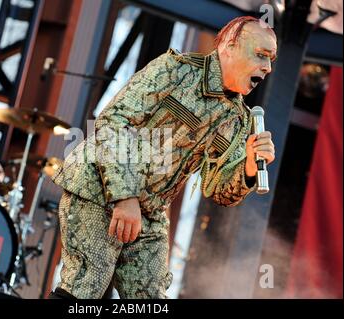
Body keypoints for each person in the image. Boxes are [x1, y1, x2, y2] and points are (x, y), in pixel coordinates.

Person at [49, 16, 277, 299]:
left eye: (271, 60)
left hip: (150, 211)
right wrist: (126, 197)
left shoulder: (237, 118)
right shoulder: (175, 70)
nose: (267, 68)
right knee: (85, 288)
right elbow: (115, 122)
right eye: (261, 55)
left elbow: (217, 189)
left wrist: (248, 166)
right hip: (99, 186)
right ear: (230, 45)